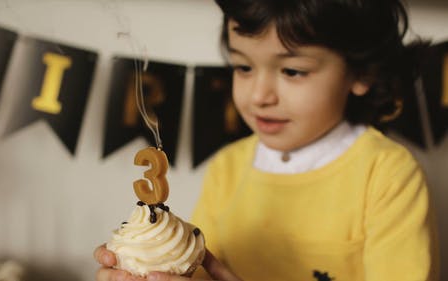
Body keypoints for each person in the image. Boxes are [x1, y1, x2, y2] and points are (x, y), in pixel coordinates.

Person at [94, 0, 440, 280]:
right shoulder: (227, 168)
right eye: (243, 67)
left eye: (292, 71)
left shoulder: (387, 174)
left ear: (362, 73)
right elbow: (200, 270)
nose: (259, 95)